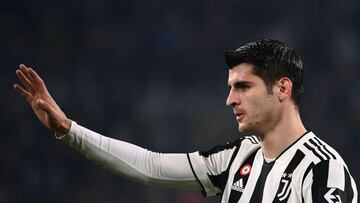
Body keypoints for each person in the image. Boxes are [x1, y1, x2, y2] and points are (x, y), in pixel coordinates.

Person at [14, 39, 357, 202]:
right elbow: (150, 167)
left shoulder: (324, 171)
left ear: (282, 88)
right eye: (229, 87)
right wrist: (68, 130)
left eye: (243, 86)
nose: (230, 99)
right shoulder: (238, 157)